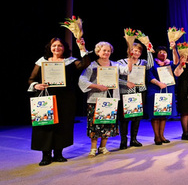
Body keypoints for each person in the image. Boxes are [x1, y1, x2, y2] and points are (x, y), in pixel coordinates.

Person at [28, 37, 91, 165]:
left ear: (64, 48)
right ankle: (45, 155)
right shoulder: (42, 61)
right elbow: (31, 79)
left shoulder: (70, 61)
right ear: (50, 48)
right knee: (45, 124)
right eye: (54, 46)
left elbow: (85, 64)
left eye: (60, 46)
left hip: (65, 98)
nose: (57, 48)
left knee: (63, 124)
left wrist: (82, 48)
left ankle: (58, 153)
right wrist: (36, 85)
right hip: (46, 96)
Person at [78, 41, 123, 157]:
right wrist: (97, 86)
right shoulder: (92, 65)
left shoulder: (115, 65)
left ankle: (103, 147)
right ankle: (93, 148)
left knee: (108, 123)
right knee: (95, 124)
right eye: (104, 50)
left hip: (111, 98)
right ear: (98, 52)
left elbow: (127, 71)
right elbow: (82, 80)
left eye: (108, 51)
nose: (106, 52)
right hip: (96, 99)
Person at [117, 42, 153, 149]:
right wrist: (125, 83)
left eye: (139, 51)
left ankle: (134, 139)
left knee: (137, 116)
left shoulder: (143, 62)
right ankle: (123, 140)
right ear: (129, 51)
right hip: (126, 92)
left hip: (140, 91)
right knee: (125, 117)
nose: (136, 53)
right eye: (134, 50)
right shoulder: (121, 62)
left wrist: (149, 50)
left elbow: (150, 65)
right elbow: (114, 77)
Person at [146, 43, 179, 145]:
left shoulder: (169, 64)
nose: (162, 54)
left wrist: (174, 49)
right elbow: (149, 76)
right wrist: (158, 83)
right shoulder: (152, 64)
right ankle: (156, 137)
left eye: (164, 52)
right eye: (160, 52)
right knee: (156, 115)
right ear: (156, 54)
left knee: (164, 114)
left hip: (167, 90)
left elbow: (177, 63)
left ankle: (162, 135)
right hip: (155, 90)